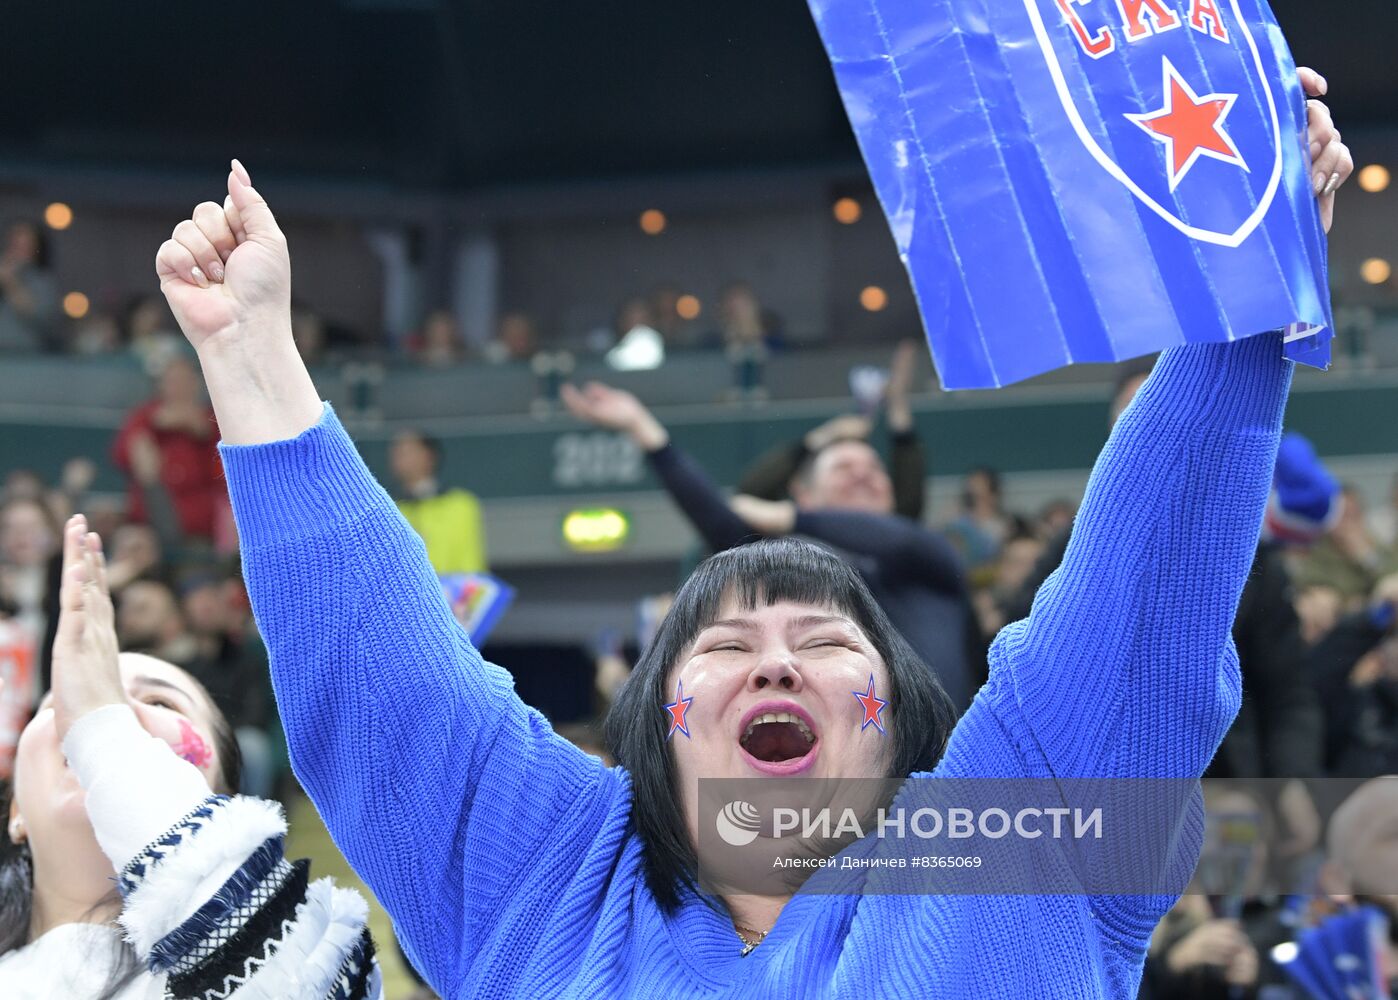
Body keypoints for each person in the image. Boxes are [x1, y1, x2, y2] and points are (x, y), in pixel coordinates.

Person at [154, 71, 1348, 996]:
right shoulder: (546, 872)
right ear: (653, 727)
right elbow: (380, 682)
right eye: (718, 647)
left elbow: (1140, 599)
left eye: (826, 640)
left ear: (908, 718)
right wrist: (253, 359)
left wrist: (1242, 309)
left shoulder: (1020, 840)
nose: (772, 656)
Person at [0, 514, 381, 998]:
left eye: (159, 703)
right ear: (17, 812)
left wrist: (103, 727)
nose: (101, 715)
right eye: (70, 702)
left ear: (219, 803)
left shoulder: (300, 957)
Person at [561, 376, 981, 709]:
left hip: (956, 783)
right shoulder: (801, 566)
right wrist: (643, 428)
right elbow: (718, 521)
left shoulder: (928, 558)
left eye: (874, 467)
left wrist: (790, 517)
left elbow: (905, 543)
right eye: (844, 467)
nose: (863, 473)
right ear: (804, 491)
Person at [112, 354, 229, 545]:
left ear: (196, 384)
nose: (179, 388)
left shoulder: (213, 421)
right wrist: (156, 425)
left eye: (185, 381)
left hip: (199, 525)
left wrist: (202, 434)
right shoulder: (144, 417)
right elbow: (121, 455)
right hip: (148, 520)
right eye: (172, 381)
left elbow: (223, 475)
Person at [389, 429, 488, 575]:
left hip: (455, 594)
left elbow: (471, 562)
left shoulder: (461, 504)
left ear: (429, 456)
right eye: (395, 454)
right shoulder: (392, 510)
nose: (398, 460)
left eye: (407, 452)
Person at [0, 221, 59, 354]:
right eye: (15, 243)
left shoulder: (42, 281)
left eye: (25, 245)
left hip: (27, 357)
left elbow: (41, 317)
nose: (18, 250)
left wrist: (10, 282)